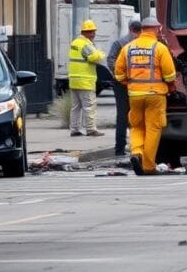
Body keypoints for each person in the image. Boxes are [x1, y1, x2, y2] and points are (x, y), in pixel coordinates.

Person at [114, 14, 176, 175]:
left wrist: (130, 84)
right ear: (155, 29)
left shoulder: (128, 48)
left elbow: (118, 74)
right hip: (155, 95)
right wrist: (170, 86)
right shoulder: (159, 48)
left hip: (134, 95)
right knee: (153, 129)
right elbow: (170, 75)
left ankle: (136, 152)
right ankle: (148, 166)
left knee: (136, 126)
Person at [108, 18, 142, 156]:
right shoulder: (142, 44)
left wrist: (120, 76)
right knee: (136, 117)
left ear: (129, 28)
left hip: (123, 84)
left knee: (123, 116)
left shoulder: (120, 43)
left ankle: (120, 149)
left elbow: (111, 60)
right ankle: (137, 148)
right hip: (137, 84)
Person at [68, 20, 106, 137]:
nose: (93, 34)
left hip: (74, 80)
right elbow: (95, 58)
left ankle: (74, 129)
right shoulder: (85, 44)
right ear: (85, 32)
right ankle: (91, 129)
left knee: (75, 107)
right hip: (85, 81)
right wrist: (101, 53)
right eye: (91, 32)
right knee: (89, 106)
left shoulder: (75, 42)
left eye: (93, 31)